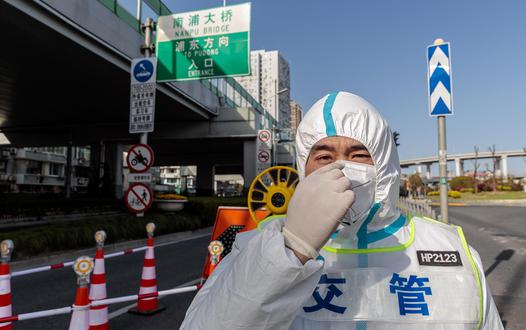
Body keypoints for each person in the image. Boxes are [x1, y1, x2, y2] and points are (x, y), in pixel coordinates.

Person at [181, 91, 503, 329]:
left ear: (385, 163)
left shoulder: (453, 251)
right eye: (323, 157)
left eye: (358, 154)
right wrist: (291, 249)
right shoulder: (258, 244)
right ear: (303, 168)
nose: (340, 168)